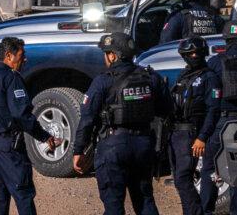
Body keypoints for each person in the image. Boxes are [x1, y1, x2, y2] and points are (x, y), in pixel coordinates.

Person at [73, 31, 172, 215]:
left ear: (113, 55)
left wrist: (78, 150)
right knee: (145, 201)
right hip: (144, 144)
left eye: (106, 53)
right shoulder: (151, 77)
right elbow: (166, 109)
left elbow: (87, 118)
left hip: (113, 147)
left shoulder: (103, 81)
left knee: (113, 205)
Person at [0, 36, 62, 215]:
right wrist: (45, 137)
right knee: (23, 194)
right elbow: (21, 114)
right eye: (22, 54)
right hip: (8, 147)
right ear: (9, 56)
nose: (24, 59)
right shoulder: (11, 78)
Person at [201, 20, 237, 215]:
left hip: (222, 122)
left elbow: (208, 97)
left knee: (210, 167)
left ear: (225, 39)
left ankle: (206, 210)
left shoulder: (214, 62)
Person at [169, 37, 221, 215]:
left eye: (197, 52)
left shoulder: (209, 77)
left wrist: (202, 137)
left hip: (193, 133)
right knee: (179, 178)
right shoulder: (183, 76)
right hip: (177, 133)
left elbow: (213, 110)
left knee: (183, 178)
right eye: (190, 53)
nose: (193, 55)